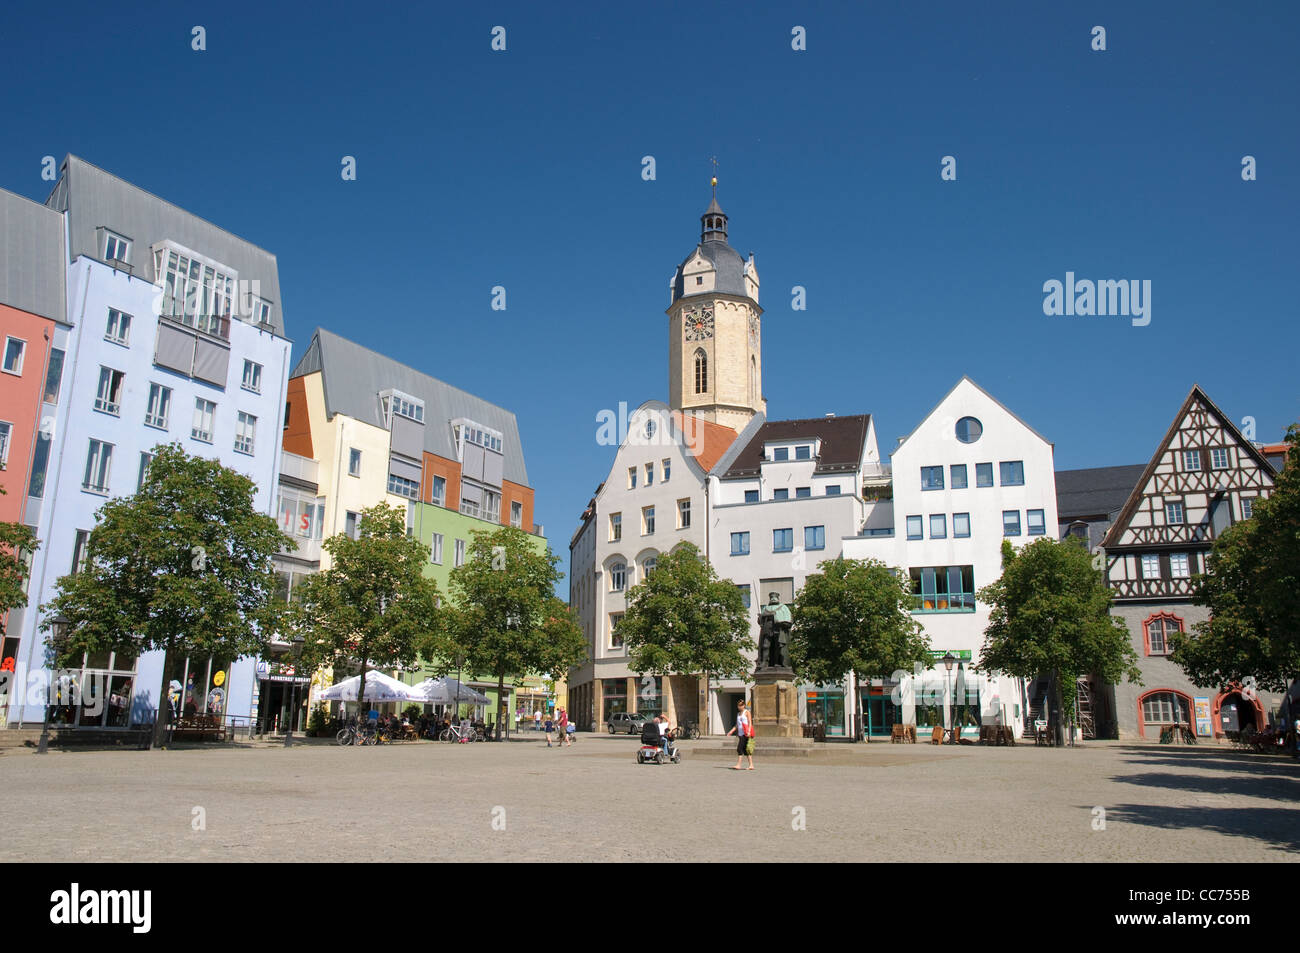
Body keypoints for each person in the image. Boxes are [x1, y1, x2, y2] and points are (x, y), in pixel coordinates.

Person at [726, 699, 754, 770]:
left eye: (741, 705)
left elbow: (750, 722)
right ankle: (751, 765)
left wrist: (749, 731)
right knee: (745, 750)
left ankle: (739, 765)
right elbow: (737, 725)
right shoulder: (738, 714)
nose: (740, 706)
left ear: (744, 705)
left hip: (746, 733)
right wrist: (731, 731)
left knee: (739, 748)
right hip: (740, 734)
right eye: (738, 705)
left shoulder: (747, 712)